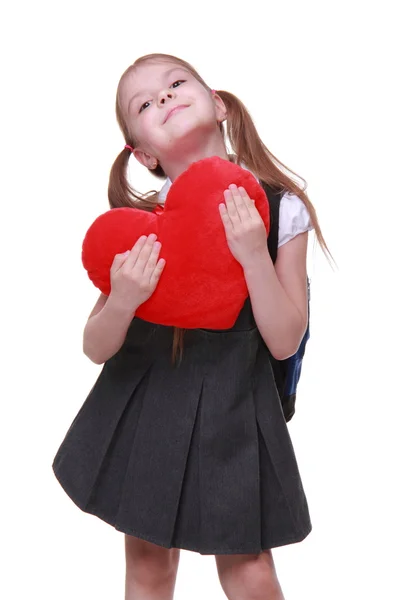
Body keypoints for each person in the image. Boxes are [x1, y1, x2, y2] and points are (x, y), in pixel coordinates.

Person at [52, 53, 330, 600]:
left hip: (235, 410)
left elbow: (283, 338)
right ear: (144, 152)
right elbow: (94, 345)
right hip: (148, 404)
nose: (164, 99)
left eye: (176, 84)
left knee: (247, 569)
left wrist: (253, 256)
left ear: (218, 104)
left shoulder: (280, 209)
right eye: (145, 104)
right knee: (149, 566)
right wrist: (124, 298)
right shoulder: (141, 227)